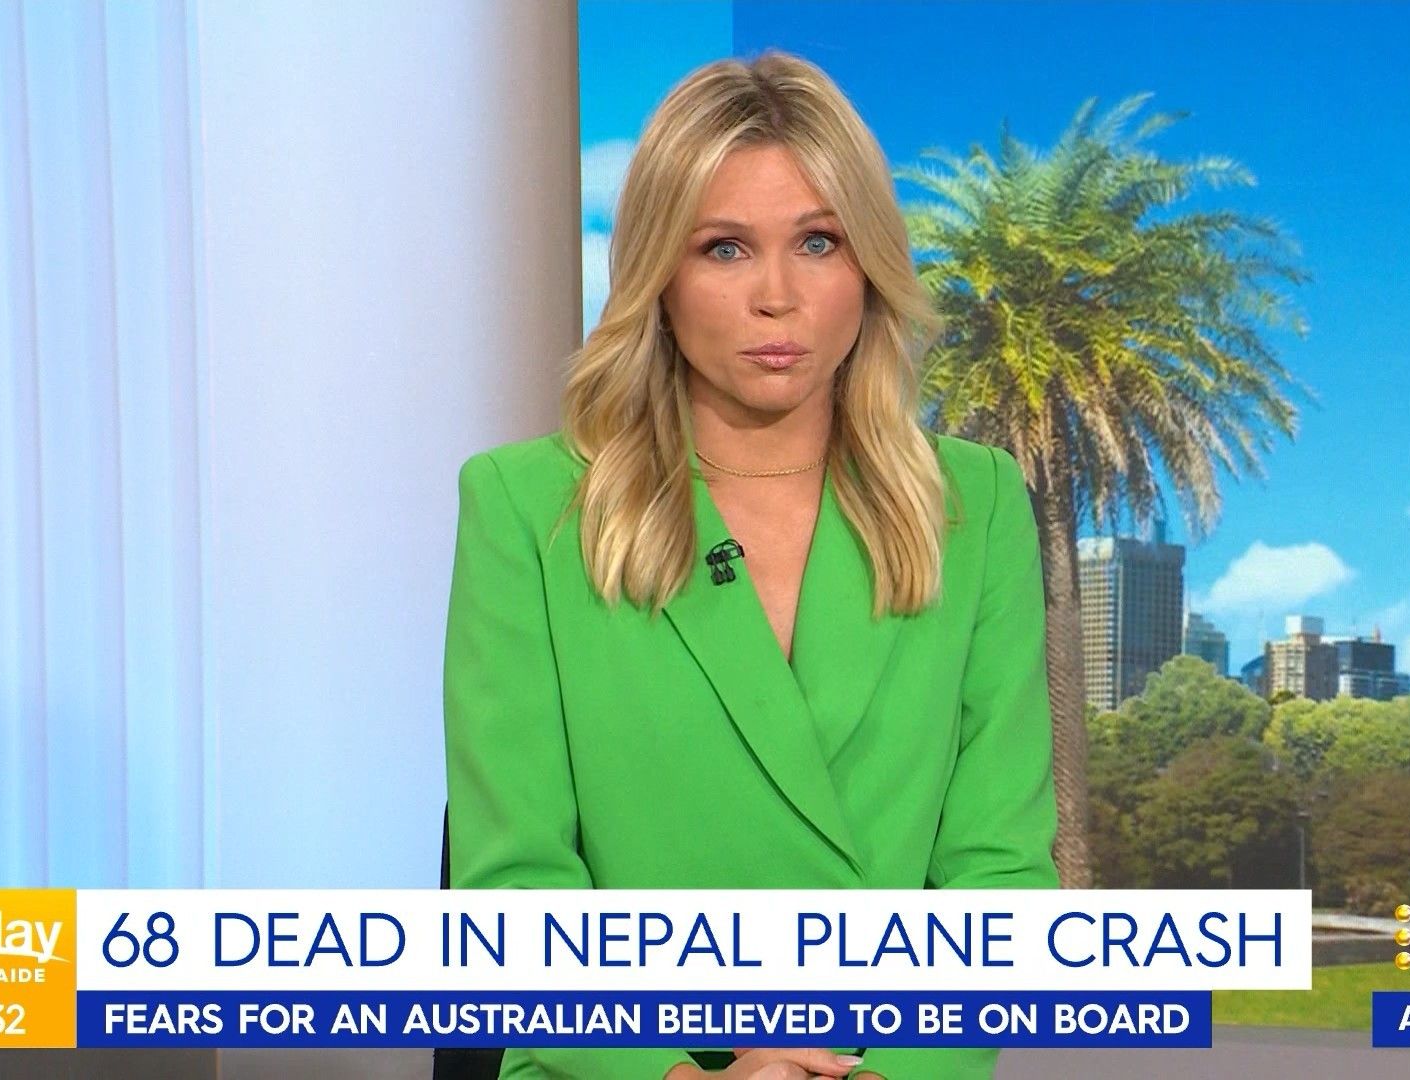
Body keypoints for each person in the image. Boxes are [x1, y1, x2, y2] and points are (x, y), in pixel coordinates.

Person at [443, 49, 1058, 1080]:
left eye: (818, 242)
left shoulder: (976, 504)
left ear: (868, 265)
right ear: (659, 277)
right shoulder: (525, 508)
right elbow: (514, 886)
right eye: (725, 249)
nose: (778, 297)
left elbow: (998, 878)